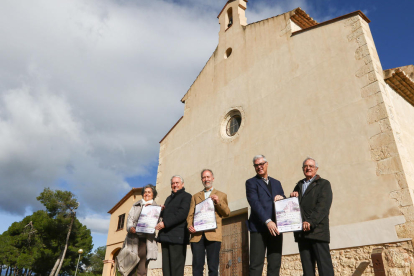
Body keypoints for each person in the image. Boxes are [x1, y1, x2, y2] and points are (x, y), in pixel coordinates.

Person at [290, 157, 334, 276]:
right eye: (305, 166)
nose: (308, 168)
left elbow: (323, 207)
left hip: (317, 232)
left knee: (325, 269)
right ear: (303, 169)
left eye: (311, 166)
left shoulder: (324, 184)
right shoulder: (298, 185)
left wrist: (310, 222)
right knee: (307, 271)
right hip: (302, 233)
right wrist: (292, 197)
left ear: (316, 169)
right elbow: (293, 209)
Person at [245, 155, 285, 276]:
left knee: (274, 263)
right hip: (259, 228)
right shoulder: (251, 182)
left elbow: (284, 203)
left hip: (276, 228)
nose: (259, 167)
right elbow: (254, 203)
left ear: (267, 164)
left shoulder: (277, 183)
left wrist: (282, 198)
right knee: (256, 265)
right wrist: (267, 221)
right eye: (256, 165)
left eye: (261, 164)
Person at [187, 169, 230, 276]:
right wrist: (189, 225)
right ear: (201, 179)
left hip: (214, 234)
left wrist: (218, 202)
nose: (206, 179)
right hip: (197, 235)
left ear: (213, 178)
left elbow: (227, 213)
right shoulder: (195, 196)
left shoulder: (221, 195)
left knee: (213, 267)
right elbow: (190, 215)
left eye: (208, 177)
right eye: (204, 177)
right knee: (197, 267)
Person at [155, 175, 192, 276]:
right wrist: (160, 211)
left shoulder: (187, 196)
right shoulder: (168, 198)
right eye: (173, 183)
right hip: (165, 237)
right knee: (166, 270)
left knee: (176, 270)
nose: (175, 185)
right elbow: (169, 215)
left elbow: (182, 214)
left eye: (177, 183)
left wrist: (164, 224)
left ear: (182, 184)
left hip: (178, 238)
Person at [120, 184, 159, 276]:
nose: (147, 194)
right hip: (133, 239)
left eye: (149, 192)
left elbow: (159, 222)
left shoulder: (157, 207)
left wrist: (157, 210)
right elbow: (130, 220)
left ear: (153, 194)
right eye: (145, 192)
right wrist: (130, 228)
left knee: (142, 270)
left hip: (146, 241)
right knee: (129, 268)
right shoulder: (135, 205)